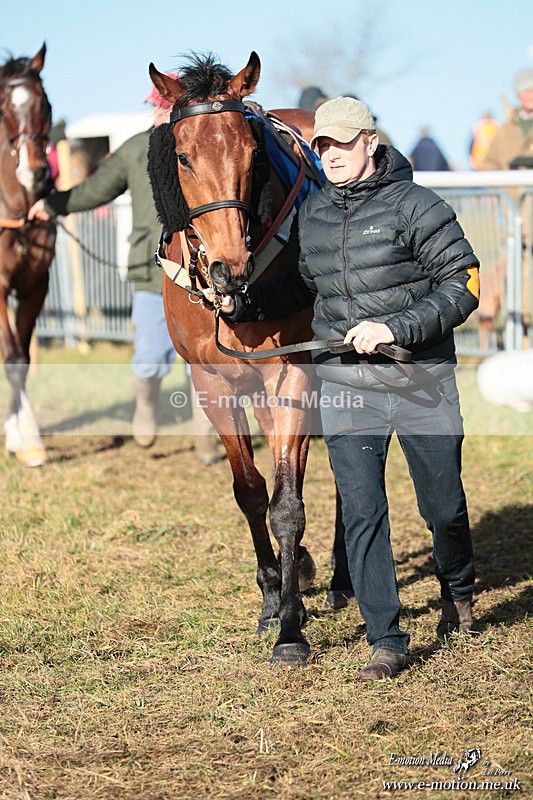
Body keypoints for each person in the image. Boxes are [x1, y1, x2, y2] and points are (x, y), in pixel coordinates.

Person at [206, 97, 480, 680]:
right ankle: (386, 637)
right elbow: (302, 290)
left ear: (370, 143)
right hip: (347, 383)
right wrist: (241, 305)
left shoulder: (418, 206)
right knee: (361, 509)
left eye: (343, 143)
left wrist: (395, 327)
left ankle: (457, 589)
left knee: (443, 507)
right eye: (323, 145)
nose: (331, 154)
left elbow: (463, 284)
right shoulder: (314, 216)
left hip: (420, 377)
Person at [29, 79, 223, 464]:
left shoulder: (205, 143)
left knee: (206, 362)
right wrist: (52, 205)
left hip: (202, 273)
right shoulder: (136, 149)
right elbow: (96, 189)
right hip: (152, 273)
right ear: (152, 106)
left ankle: (206, 438)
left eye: (172, 103)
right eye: (160, 103)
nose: (165, 110)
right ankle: (146, 404)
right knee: (151, 356)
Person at [482, 68, 533, 170]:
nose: (531, 95)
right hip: (511, 180)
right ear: (518, 95)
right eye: (526, 91)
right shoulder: (504, 131)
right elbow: (490, 162)